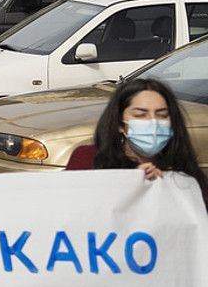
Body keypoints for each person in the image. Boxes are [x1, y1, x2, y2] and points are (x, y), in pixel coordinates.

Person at [65, 79, 208, 199]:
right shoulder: (87, 159)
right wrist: (129, 183)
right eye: (140, 115)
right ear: (120, 123)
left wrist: (167, 187)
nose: (153, 122)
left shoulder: (184, 172)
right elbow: (71, 209)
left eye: (162, 115)